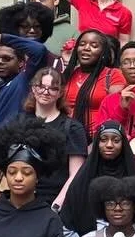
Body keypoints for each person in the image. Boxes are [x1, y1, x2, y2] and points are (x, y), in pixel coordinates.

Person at [20, 67, 88, 208]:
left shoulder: (72, 128)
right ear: (33, 89)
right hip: (22, 197)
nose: (46, 92)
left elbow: (75, 174)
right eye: (41, 87)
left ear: (60, 93)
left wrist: (57, 205)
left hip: (54, 199)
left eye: (52, 88)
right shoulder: (20, 122)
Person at [0, 30, 48, 135]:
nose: (0, 62)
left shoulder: (25, 80)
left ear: (21, 63)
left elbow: (39, 50)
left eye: (6, 58)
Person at [61, 30, 125, 133]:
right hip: (67, 137)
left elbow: (115, 113)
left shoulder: (113, 75)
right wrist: (67, 63)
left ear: (103, 52)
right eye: (82, 44)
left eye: (94, 46)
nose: (86, 48)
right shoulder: (70, 74)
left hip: (96, 140)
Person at [99, 41, 135, 129]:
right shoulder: (109, 101)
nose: (132, 66)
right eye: (126, 62)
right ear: (120, 69)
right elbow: (101, 134)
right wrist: (122, 109)